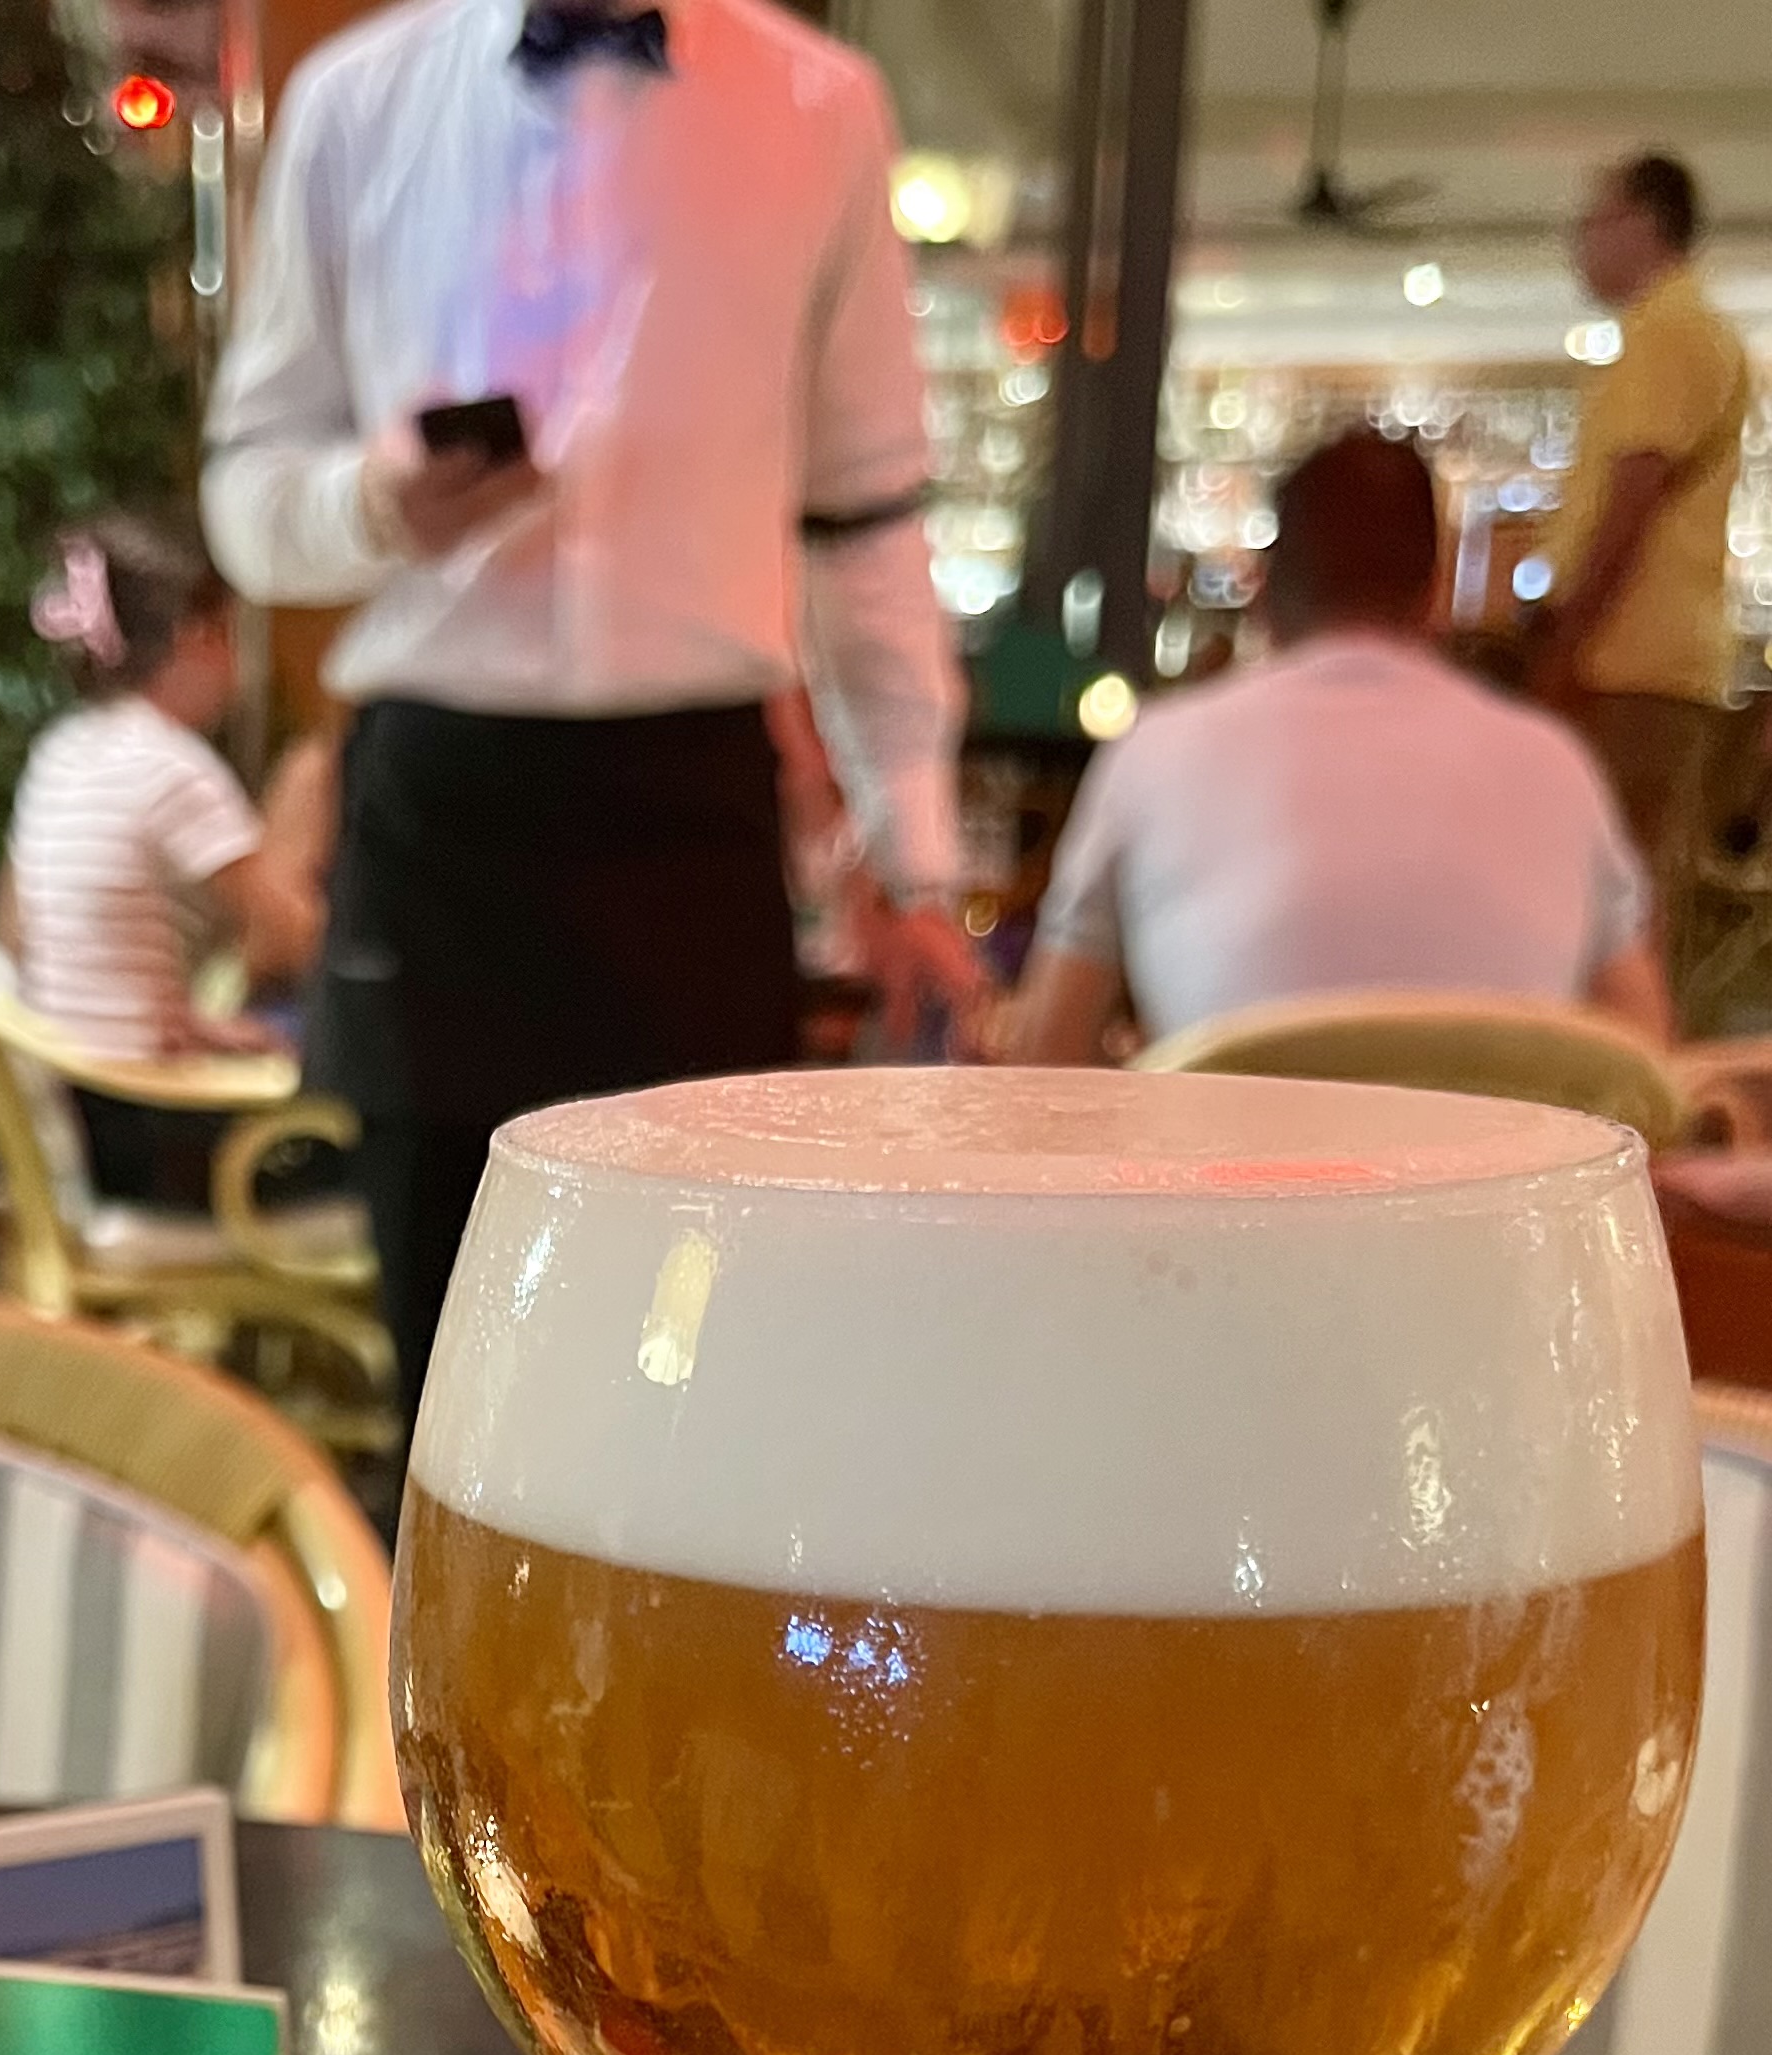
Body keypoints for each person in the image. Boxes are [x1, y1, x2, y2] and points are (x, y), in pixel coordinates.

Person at [202, 0, 978, 1426]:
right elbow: (245, 510)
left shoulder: (822, 107)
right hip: (439, 824)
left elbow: (867, 522)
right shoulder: (354, 103)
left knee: (702, 1402)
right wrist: (376, 505)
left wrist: (916, 864)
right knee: (449, 1394)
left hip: (692, 813)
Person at [1003, 428, 1670, 1068]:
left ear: (1261, 591)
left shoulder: (1152, 752)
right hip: (1494, 1152)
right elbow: (1644, 1059)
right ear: (1438, 594)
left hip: (1230, 1150)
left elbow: (1047, 1059)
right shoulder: (1557, 766)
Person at [1, 515, 326, 1063]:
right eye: (231, 636)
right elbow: (287, 935)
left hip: (60, 1061)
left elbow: (45, 938)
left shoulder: (63, 748)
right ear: (195, 637)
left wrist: (187, 1022)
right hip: (134, 1087)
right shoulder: (173, 767)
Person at [1537, 154, 1750, 898]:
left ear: (1645, 223)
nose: (1579, 241)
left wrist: (1566, 643)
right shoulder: (1682, 328)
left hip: (1631, 659)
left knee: (1613, 894)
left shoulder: (1669, 330)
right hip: (1656, 656)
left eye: (1594, 220)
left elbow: (1632, 498)